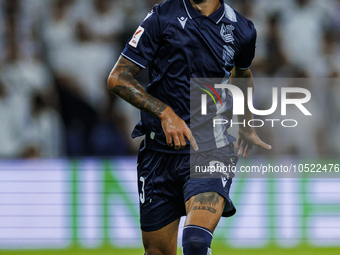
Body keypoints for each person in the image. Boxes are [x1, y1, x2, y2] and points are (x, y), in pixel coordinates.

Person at [107, 0, 271, 254]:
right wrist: (165, 113)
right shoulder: (161, 17)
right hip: (158, 154)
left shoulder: (242, 29)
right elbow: (118, 77)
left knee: (195, 243)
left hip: (211, 147)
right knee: (157, 251)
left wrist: (246, 123)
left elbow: (241, 75)